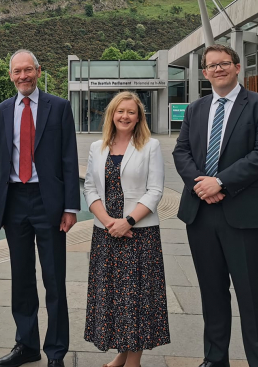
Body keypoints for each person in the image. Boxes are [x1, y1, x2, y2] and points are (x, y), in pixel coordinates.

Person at [172, 44, 258, 367]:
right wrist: (201, 184)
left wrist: (220, 182)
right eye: (211, 66)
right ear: (204, 73)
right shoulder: (196, 109)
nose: (218, 70)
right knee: (212, 292)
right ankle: (214, 359)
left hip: (246, 215)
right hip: (201, 214)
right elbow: (181, 153)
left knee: (251, 296)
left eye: (224, 64)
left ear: (236, 67)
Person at [0, 49, 80, 367]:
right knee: (21, 277)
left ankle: (56, 351)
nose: (23, 76)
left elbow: (69, 158)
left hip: (49, 203)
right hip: (15, 201)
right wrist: (0, 205)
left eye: (28, 70)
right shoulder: (1, 111)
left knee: (54, 278)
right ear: (11, 75)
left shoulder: (59, 107)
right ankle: (26, 345)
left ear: (39, 71)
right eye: (17, 72)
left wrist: (71, 207)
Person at [82, 91, 169, 366]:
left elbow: (155, 190)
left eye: (131, 112)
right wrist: (109, 222)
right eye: (120, 111)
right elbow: (90, 187)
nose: (125, 116)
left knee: (138, 298)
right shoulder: (97, 147)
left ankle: (134, 361)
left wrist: (127, 221)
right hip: (106, 232)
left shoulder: (150, 146)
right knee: (114, 296)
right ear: (112, 115)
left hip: (139, 233)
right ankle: (122, 354)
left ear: (139, 116)